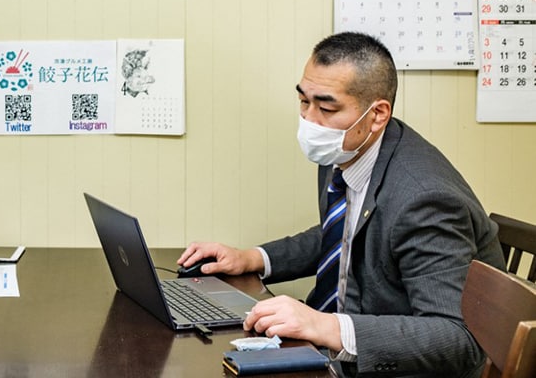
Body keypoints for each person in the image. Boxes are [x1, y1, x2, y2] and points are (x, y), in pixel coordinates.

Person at [178, 32, 504, 378]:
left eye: (327, 107)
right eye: (304, 102)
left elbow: (456, 337)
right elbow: (344, 233)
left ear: (377, 114)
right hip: (340, 348)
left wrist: (326, 327)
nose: (310, 121)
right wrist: (252, 258)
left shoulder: (425, 199)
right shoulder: (345, 147)